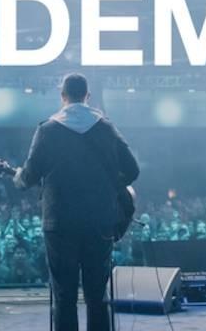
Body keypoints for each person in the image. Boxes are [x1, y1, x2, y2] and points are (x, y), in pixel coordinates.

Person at [13, 73, 139, 331]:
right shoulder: (105, 128)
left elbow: (29, 177)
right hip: (99, 222)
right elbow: (132, 170)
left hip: (60, 224)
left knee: (64, 296)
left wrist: (18, 177)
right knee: (97, 295)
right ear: (87, 96)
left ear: (63, 96)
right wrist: (108, 185)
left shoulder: (47, 129)